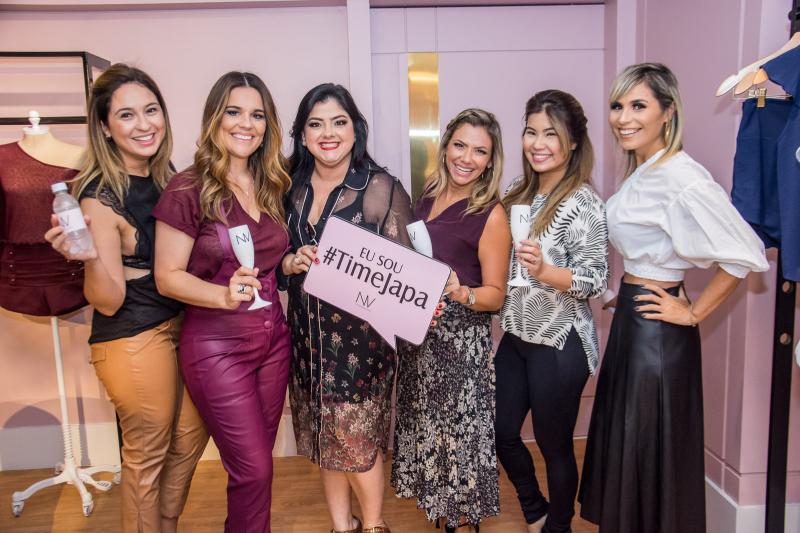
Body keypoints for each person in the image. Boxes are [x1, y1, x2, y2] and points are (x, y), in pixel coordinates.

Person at [578, 63, 769, 533]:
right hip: (635, 320)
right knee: (634, 447)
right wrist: (623, 294)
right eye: (618, 106)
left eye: (638, 105)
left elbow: (746, 253)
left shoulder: (682, 176)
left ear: (668, 113)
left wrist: (694, 311)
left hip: (655, 335)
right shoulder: (645, 171)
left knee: (647, 446)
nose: (623, 118)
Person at [44, 64, 208, 533]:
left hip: (182, 325)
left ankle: (165, 525)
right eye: (126, 115)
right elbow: (108, 300)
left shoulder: (168, 178)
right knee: (148, 455)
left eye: (151, 110)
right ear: (104, 127)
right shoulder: (98, 198)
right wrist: (91, 257)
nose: (144, 124)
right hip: (133, 336)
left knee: (191, 435)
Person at [152, 71, 291, 533]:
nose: (246, 124)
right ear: (215, 117)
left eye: (257, 115)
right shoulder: (188, 188)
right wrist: (221, 295)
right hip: (217, 346)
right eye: (234, 112)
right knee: (255, 469)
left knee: (254, 469)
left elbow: (268, 256)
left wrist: (292, 260)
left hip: (274, 342)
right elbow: (167, 276)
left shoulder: (271, 183)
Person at [279, 83, 413, 533]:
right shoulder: (289, 187)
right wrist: (290, 261)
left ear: (356, 129)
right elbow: (272, 259)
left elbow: (405, 275)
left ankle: (373, 526)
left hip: (362, 350)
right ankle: (342, 527)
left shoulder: (380, 188)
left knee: (357, 447)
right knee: (326, 443)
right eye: (316, 124)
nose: (328, 133)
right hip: (306, 345)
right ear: (302, 135)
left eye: (339, 122)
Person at [391, 108, 511, 533]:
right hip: (420, 342)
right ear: (445, 148)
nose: (467, 158)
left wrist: (464, 293)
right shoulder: (426, 197)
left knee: (457, 445)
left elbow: (496, 294)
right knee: (431, 439)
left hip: (460, 346)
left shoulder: (491, 214)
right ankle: (443, 519)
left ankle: (460, 524)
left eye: (480, 151)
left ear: (491, 161)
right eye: (460, 145)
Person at [495, 90, 608, 533]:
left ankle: (558, 526)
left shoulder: (584, 202)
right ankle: (535, 510)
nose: (538, 144)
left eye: (551, 134)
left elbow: (594, 280)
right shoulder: (516, 192)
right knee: (501, 431)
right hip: (517, 334)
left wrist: (545, 270)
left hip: (560, 340)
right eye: (531, 132)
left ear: (573, 142)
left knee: (554, 444)